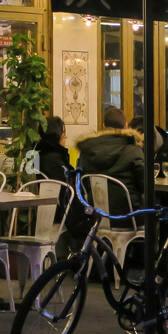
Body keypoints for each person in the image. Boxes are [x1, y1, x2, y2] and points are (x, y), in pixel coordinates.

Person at [63, 107, 145, 256]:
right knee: (157, 214)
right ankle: (143, 265)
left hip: (97, 216)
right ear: (126, 126)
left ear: (103, 126)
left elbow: (84, 184)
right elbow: (144, 185)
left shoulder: (88, 150)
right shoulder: (133, 150)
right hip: (127, 217)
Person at [35, 116, 72, 181]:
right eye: (63, 132)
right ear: (55, 135)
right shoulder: (54, 159)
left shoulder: (39, 153)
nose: (65, 136)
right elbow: (65, 185)